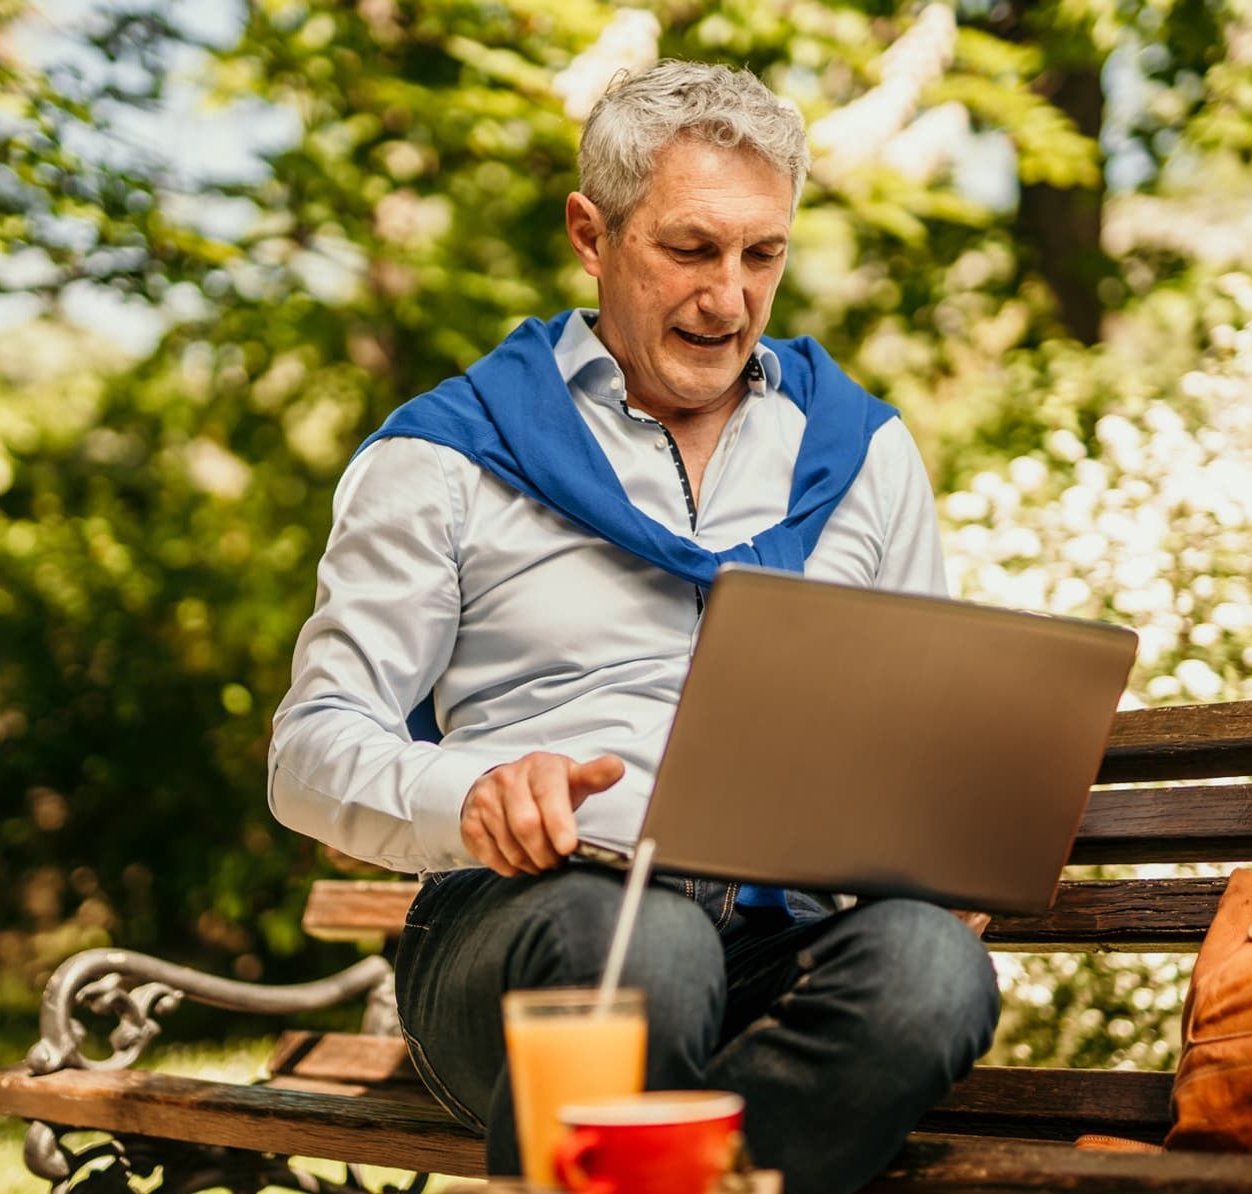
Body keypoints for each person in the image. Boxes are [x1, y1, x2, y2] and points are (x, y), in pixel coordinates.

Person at [268, 60, 998, 1194]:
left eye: (765, 257)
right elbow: (311, 748)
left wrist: (945, 838)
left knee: (931, 970)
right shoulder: (446, 455)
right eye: (691, 250)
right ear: (590, 233)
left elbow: (923, 720)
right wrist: (465, 797)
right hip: (525, 924)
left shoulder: (860, 456)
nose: (729, 302)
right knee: (647, 947)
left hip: (786, 934)